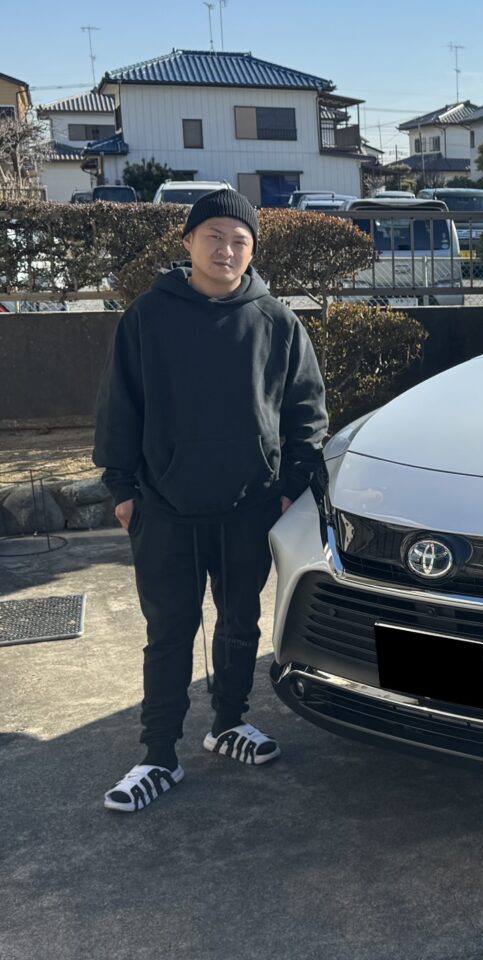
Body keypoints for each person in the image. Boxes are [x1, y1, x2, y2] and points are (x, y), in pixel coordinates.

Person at [94, 189, 327, 812]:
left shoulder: (276, 319)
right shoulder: (148, 315)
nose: (226, 250)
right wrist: (122, 488)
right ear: (188, 243)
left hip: (248, 505)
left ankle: (227, 722)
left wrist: (287, 487)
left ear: (252, 251)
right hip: (164, 507)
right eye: (215, 236)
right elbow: (120, 404)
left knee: (240, 621)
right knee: (170, 630)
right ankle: (158, 755)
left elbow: (307, 412)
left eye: (240, 241)